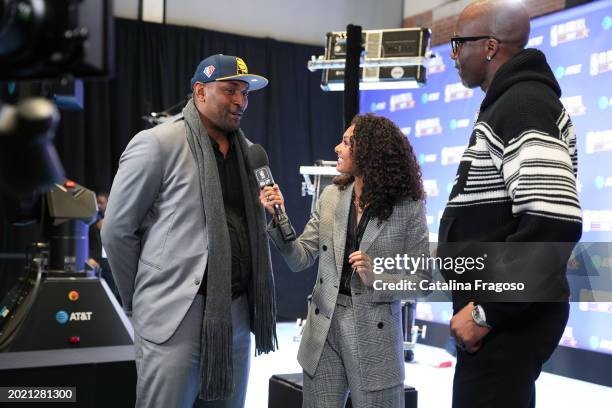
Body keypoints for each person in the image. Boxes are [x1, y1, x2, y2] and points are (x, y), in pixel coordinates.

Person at [101, 54, 277, 408]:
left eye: (245, 93)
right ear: (200, 92)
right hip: (174, 315)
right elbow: (117, 231)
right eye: (230, 90)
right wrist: (142, 298)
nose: (241, 101)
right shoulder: (157, 143)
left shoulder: (248, 152)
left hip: (236, 317)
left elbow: (244, 225)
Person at [439, 1, 582, 407]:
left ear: (489, 46)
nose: (453, 55)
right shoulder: (509, 103)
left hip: (505, 324)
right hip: (498, 323)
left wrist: (486, 312)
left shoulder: (525, 104)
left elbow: (553, 225)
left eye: (458, 43)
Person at [262, 113, 430, 408]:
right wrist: (279, 218)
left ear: (371, 152)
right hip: (324, 329)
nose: (337, 148)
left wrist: (377, 277)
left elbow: (422, 282)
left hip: (374, 334)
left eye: (347, 143)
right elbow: (299, 258)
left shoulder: (407, 207)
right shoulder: (331, 196)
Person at [87, 192, 119, 300]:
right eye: (97, 202)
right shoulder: (90, 219)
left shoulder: (116, 217)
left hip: (110, 264)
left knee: (111, 297)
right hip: (94, 262)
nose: (98, 205)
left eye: (101, 202)